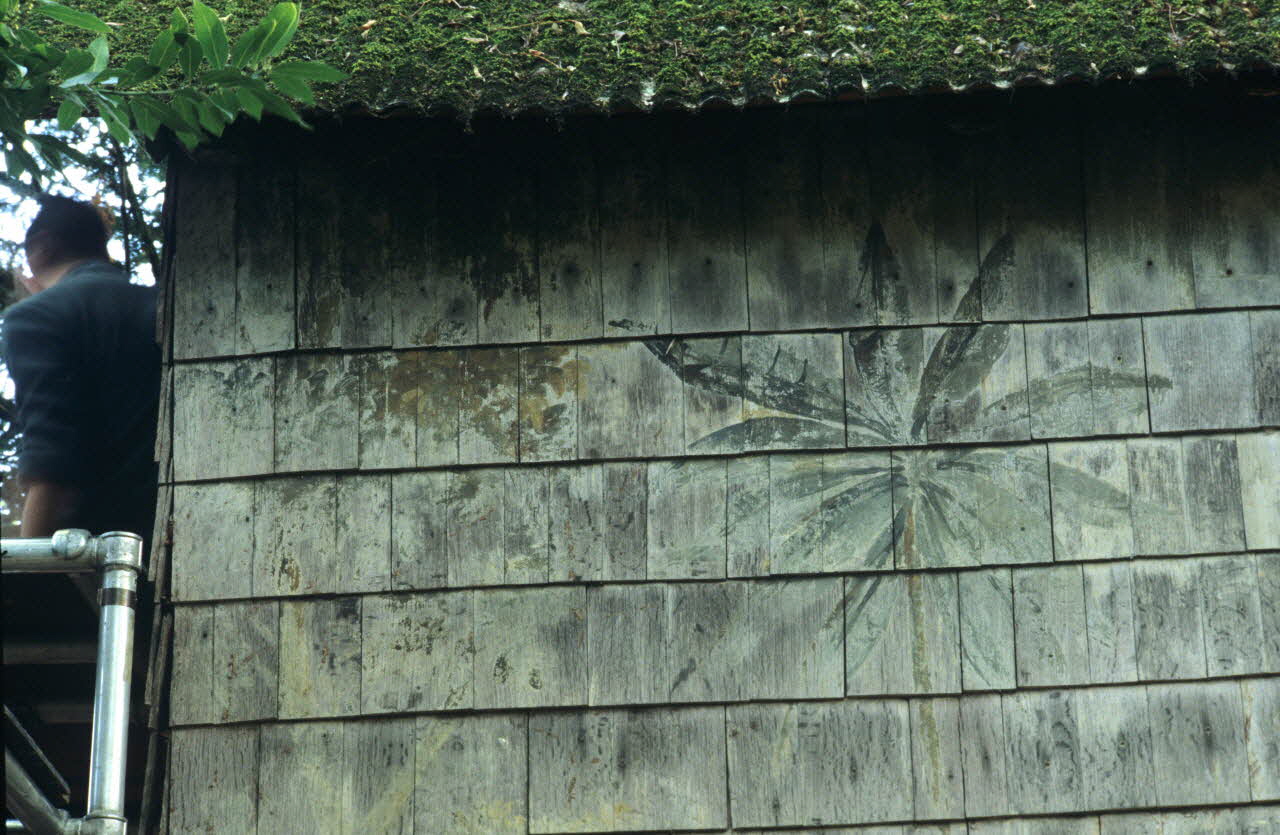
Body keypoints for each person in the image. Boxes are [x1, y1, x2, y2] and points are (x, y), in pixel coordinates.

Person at [3, 195, 160, 543]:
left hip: (93, 560)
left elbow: (52, 466)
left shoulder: (36, 316)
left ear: (41, 246)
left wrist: (30, 575)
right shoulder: (159, 304)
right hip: (174, 541)